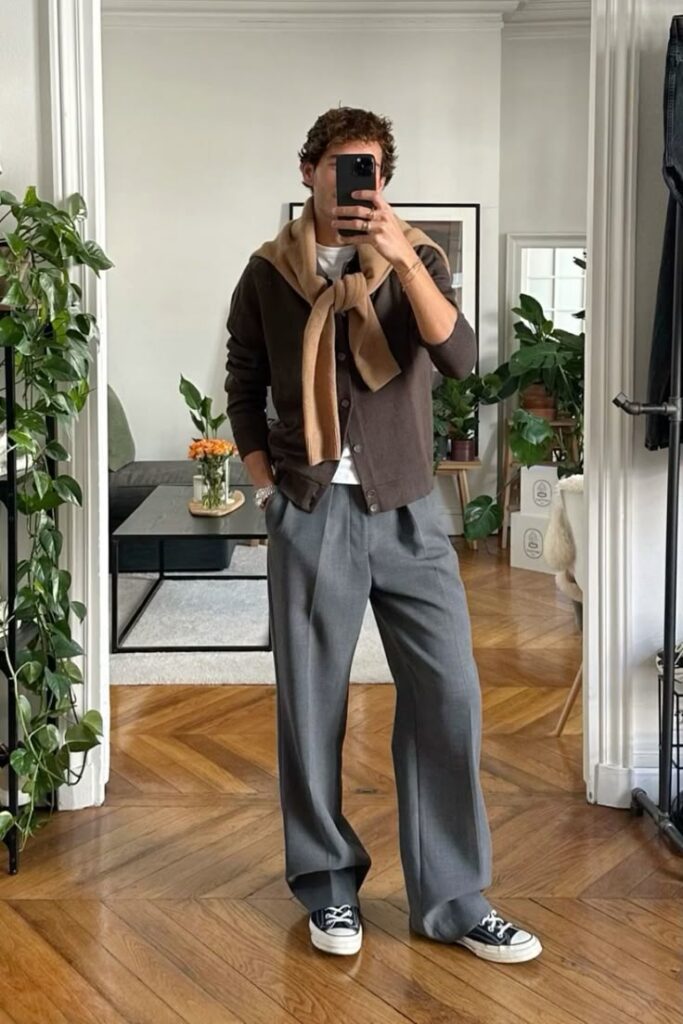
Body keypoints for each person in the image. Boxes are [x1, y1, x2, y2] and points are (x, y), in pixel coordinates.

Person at [225, 107, 542, 964]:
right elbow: (243, 380)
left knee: (449, 697)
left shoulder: (418, 261)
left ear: (384, 181)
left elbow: (463, 358)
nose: (355, 183)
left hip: (409, 509)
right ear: (308, 171)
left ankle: (451, 899)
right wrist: (265, 486)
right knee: (310, 707)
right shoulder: (267, 273)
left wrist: (401, 255)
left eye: (370, 169)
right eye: (340, 166)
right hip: (310, 507)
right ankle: (328, 889)